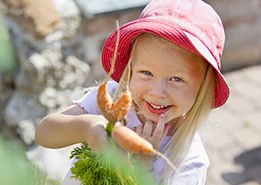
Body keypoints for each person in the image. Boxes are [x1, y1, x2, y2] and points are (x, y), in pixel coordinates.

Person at [35, 0, 230, 184]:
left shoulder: (189, 160)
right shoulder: (112, 100)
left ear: (203, 87)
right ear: (131, 69)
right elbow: (44, 133)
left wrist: (143, 169)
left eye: (176, 79)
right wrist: (87, 126)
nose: (157, 92)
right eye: (146, 73)